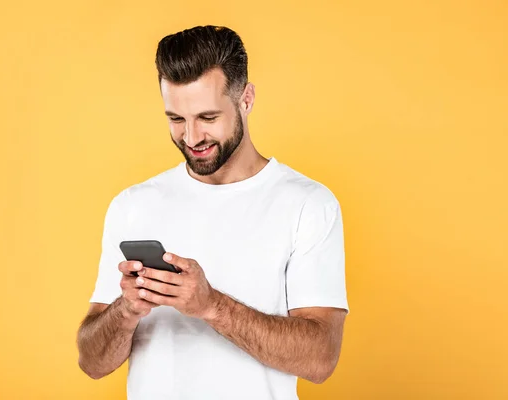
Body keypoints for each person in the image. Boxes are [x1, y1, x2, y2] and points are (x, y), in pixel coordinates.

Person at [76, 25, 350, 400]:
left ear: (246, 99)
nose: (191, 138)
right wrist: (126, 310)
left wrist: (211, 305)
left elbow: (321, 358)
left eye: (207, 118)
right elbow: (92, 363)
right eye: (176, 119)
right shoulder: (133, 205)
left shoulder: (307, 204)